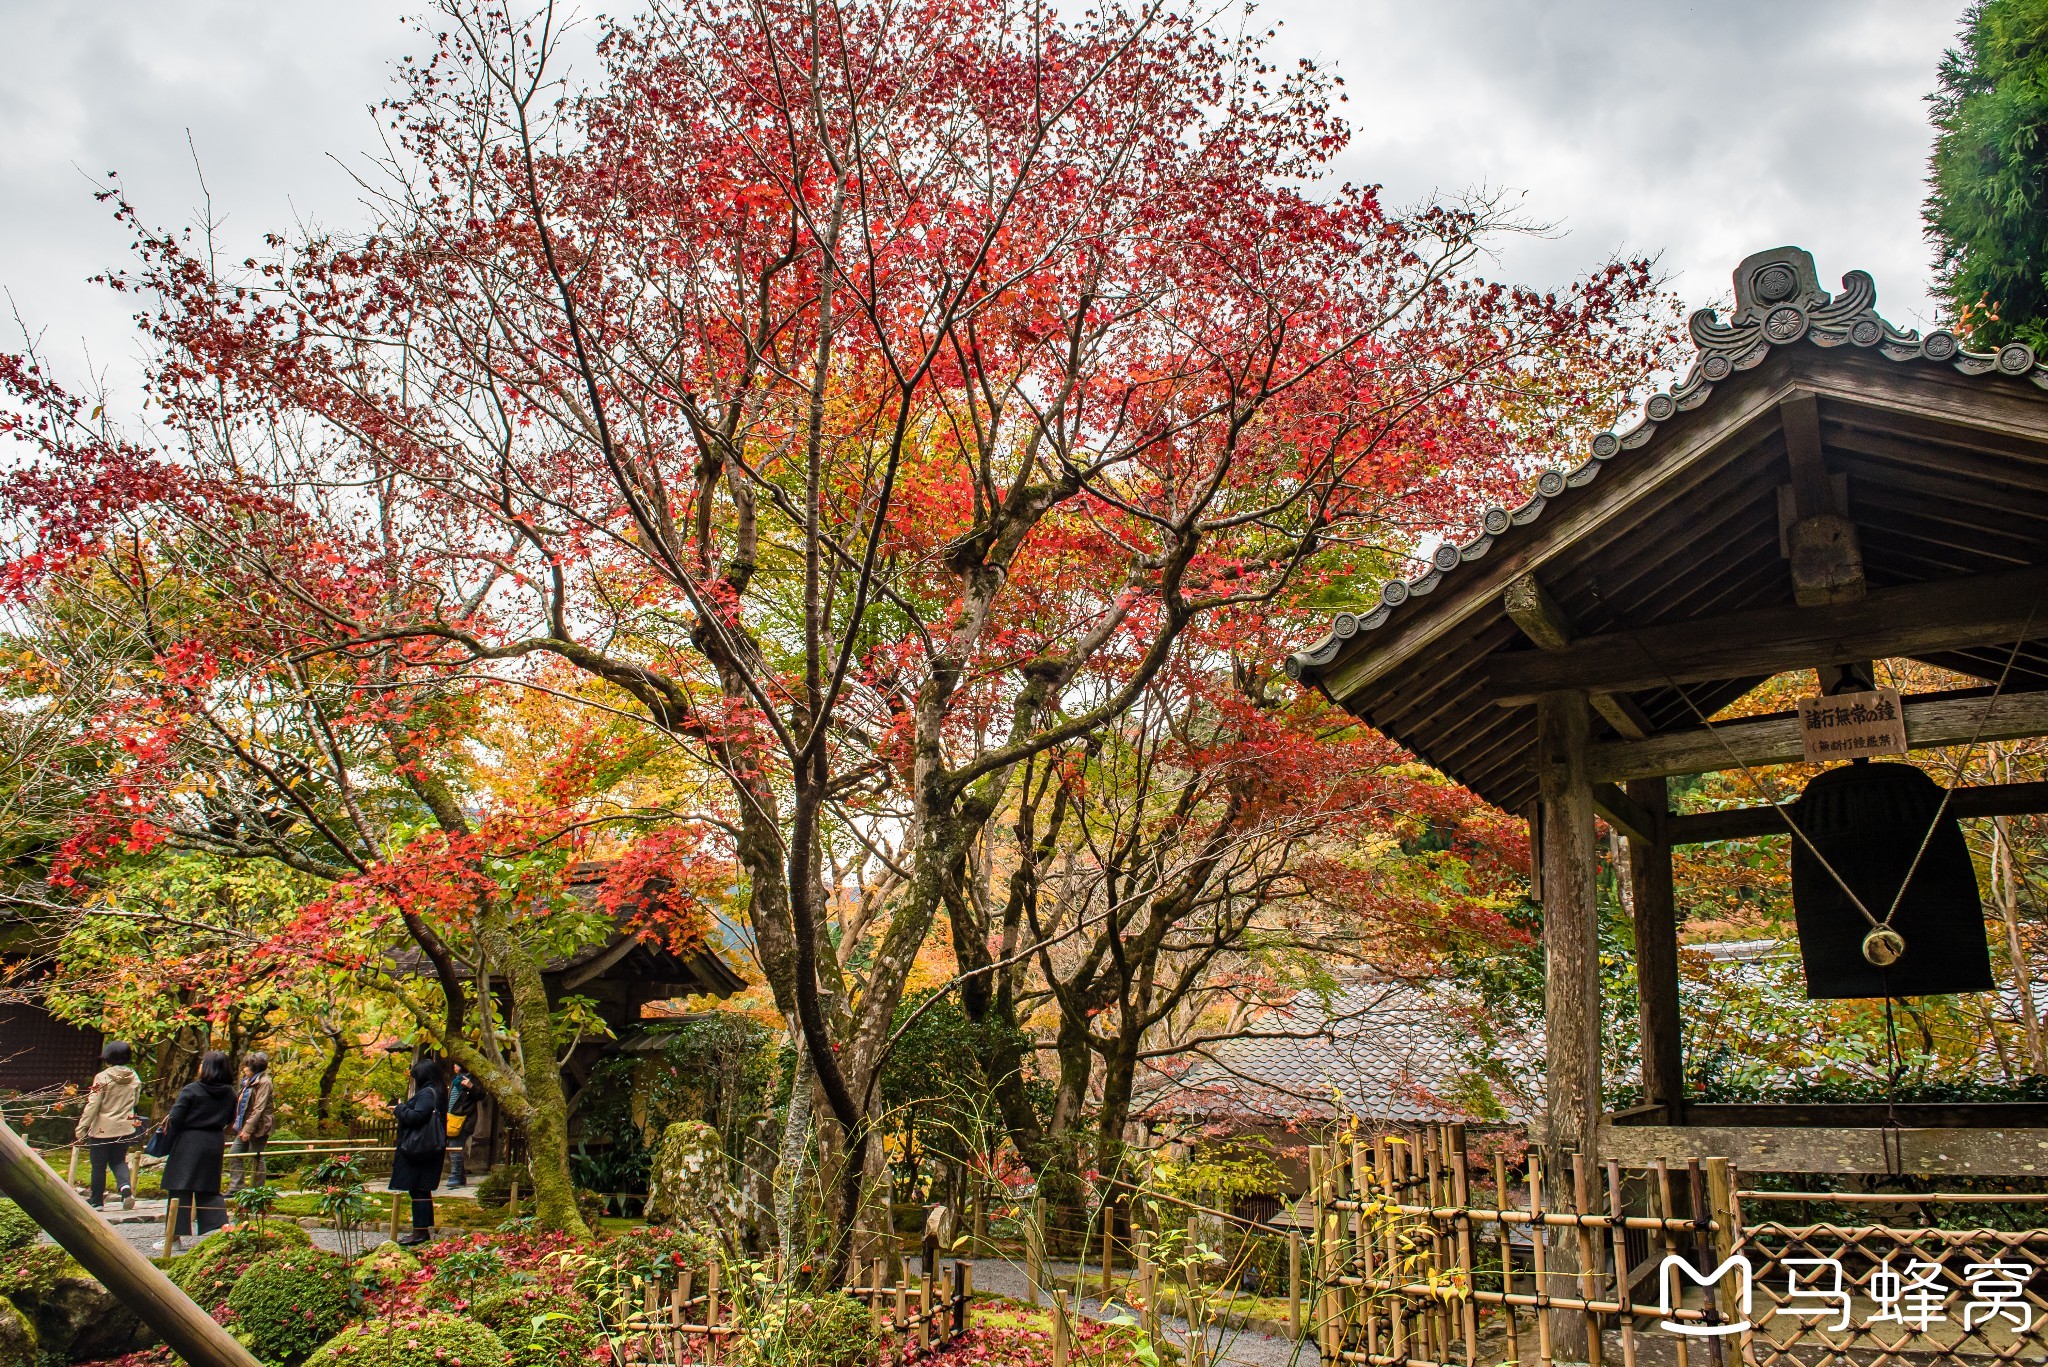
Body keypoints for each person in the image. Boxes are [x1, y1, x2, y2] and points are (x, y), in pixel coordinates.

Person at [158, 1050, 236, 1253]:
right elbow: (230, 1120)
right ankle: (224, 1231)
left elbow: (176, 1118)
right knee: (209, 1188)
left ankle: (173, 1237)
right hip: (214, 1141)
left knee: (179, 1188)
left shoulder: (192, 1090)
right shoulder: (230, 1093)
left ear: (208, 1067)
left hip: (189, 1141)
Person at [74, 1040, 141, 1211]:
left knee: (98, 1165)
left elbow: (93, 1105)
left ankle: (97, 1201)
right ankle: (125, 1189)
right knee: (119, 1160)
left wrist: (82, 1127)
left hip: (102, 1129)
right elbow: (136, 1100)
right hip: (125, 1127)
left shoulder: (102, 1077)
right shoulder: (134, 1077)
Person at [389, 1057, 445, 1246]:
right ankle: (422, 1230)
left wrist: (399, 1108)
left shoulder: (427, 1093)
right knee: (421, 1189)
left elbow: (417, 1117)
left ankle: (419, 1232)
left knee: (418, 1189)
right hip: (429, 1147)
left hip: (420, 1148)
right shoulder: (438, 1091)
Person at [227, 1052, 275, 1194]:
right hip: (245, 1123)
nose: (244, 1069)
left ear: (253, 1068)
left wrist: (248, 1129)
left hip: (259, 1126)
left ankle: (257, 1190)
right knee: (234, 1153)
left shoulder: (264, 1082)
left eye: (246, 1067)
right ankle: (236, 1187)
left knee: (257, 1156)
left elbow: (259, 1107)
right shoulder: (248, 1081)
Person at [443, 1060, 480, 1190]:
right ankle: (460, 1176)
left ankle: (454, 1176)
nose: (454, 1066)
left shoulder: (472, 1079)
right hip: (452, 1118)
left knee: (455, 1148)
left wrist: (471, 1087)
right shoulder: (455, 1081)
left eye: (457, 1064)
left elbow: (481, 1095)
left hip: (464, 1120)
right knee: (453, 1147)